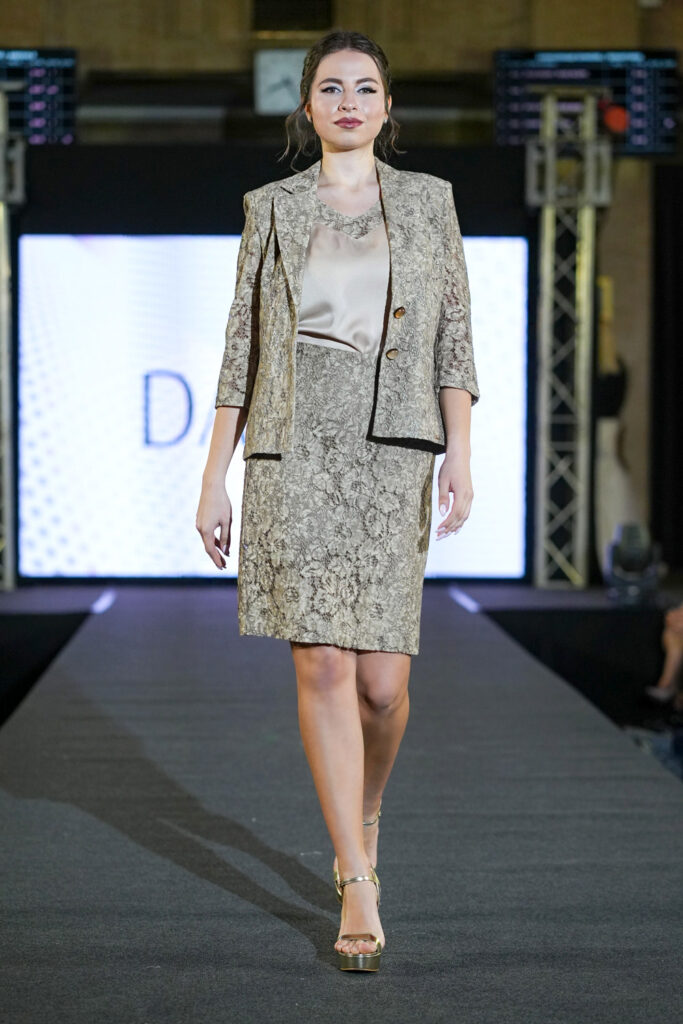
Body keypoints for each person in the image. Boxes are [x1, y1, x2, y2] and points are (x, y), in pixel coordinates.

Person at [196, 30, 479, 972]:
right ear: (307, 106)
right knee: (320, 664)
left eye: (364, 87)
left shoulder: (429, 202)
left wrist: (459, 453)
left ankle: (366, 810)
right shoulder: (270, 209)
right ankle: (356, 876)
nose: (348, 101)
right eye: (330, 87)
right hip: (294, 454)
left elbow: (453, 340)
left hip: (391, 455)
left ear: (387, 107)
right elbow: (241, 348)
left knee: (382, 685)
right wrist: (214, 477)